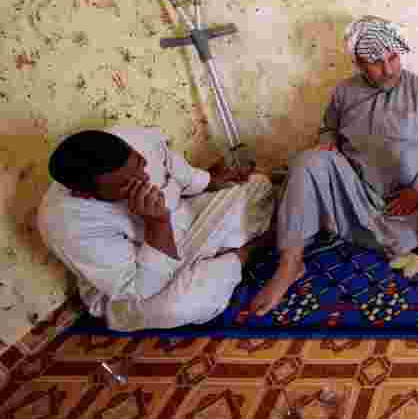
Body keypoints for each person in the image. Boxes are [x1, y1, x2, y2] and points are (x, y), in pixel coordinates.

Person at [250, 16, 418, 314]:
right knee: (307, 161)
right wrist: (327, 141)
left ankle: (330, 225)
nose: (388, 69)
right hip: (356, 193)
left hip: (404, 205)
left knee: (406, 240)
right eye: (376, 62)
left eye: (393, 57)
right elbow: (327, 129)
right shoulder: (344, 92)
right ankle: (290, 263)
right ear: (358, 63)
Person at [38, 126, 271, 331]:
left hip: (186, 227)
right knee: (178, 306)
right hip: (138, 284)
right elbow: (141, 287)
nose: (144, 178)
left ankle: (215, 267)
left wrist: (212, 181)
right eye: (127, 184)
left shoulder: (136, 138)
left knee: (257, 185)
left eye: (139, 164)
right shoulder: (65, 223)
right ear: (86, 194)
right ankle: (244, 254)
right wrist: (156, 223)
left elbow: (180, 172)